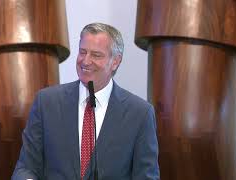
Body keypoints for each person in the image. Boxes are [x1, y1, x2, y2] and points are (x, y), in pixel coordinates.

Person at [12, 22, 159, 180]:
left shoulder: (140, 114)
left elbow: (146, 176)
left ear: (115, 61)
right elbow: (26, 167)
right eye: (83, 52)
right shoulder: (46, 102)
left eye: (96, 55)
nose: (86, 61)